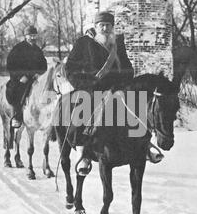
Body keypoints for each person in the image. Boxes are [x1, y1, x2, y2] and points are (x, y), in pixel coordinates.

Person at [65, 11, 163, 175]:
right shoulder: (84, 43)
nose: (104, 28)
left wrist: (126, 80)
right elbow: (70, 68)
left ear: (112, 27)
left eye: (108, 25)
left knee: (136, 107)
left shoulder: (117, 43)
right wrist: (84, 83)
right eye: (101, 25)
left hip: (117, 88)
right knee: (81, 114)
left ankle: (145, 146)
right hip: (92, 88)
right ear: (95, 27)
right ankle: (83, 153)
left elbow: (126, 66)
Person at [6, 25, 47, 128]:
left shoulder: (38, 50)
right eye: (30, 36)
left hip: (35, 78)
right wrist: (20, 76)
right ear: (25, 36)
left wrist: (39, 73)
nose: (33, 38)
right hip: (21, 78)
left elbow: (44, 65)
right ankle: (17, 116)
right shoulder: (18, 48)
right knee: (18, 92)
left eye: (34, 35)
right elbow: (11, 64)